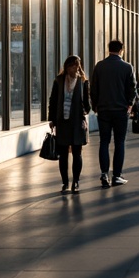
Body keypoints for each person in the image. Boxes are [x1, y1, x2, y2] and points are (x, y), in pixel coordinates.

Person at [89, 39, 135, 187]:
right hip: (120, 110)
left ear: (108, 49)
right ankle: (117, 175)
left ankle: (104, 174)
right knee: (119, 142)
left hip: (103, 109)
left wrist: (95, 106)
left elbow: (94, 88)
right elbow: (132, 90)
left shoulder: (99, 66)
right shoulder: (127, 67)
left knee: (104, 141)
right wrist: (129, 105)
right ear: (122, 49)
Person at [48, 55, 91, 193]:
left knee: (77, 153)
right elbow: (53, 100)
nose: (75, 68)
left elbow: (87, 103)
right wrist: (52, 119)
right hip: (62, 121)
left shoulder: (83, 81)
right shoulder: (59, 80)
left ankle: (76, 182)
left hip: (77, 121)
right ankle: (65, 182)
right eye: (72, 66)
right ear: (66, 67)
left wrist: (86, 110)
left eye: (77, 66)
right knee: (63, 154)